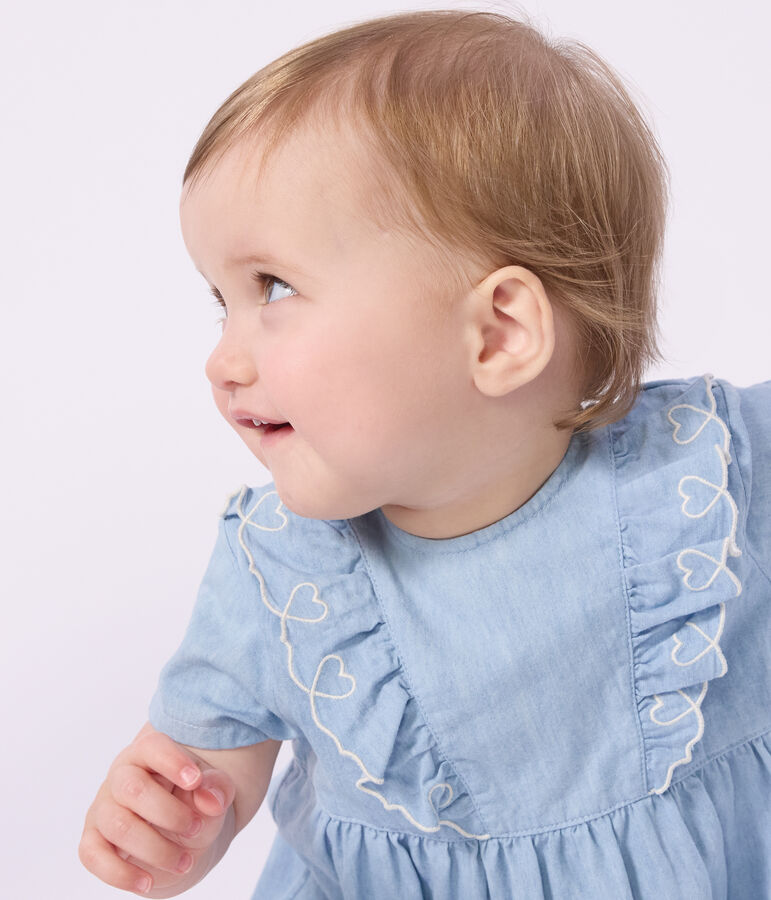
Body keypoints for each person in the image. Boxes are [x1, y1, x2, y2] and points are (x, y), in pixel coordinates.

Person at [79, 9, 771, 898]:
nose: (224, 359)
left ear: (497, 333)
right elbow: (210, 757)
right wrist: (174, 814)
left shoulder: (705, 479)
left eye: (274, 287)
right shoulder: (285, 570)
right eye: (222, 301)